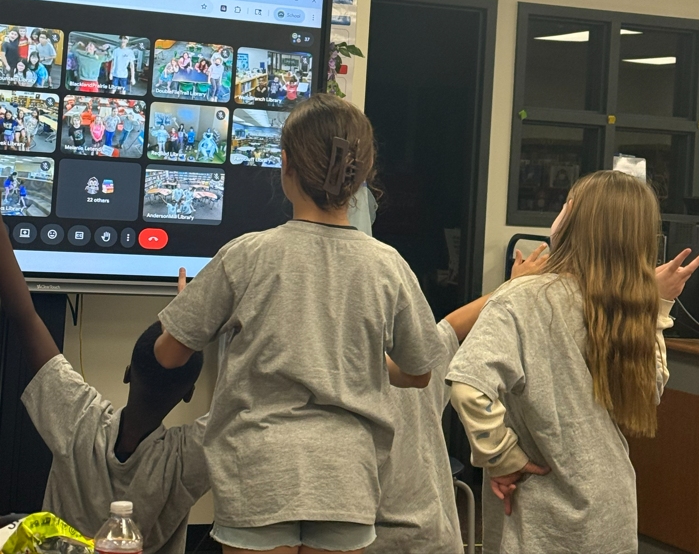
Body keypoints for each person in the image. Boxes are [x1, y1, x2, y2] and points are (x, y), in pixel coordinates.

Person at [154, 93, 444, 554]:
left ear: (285, 165)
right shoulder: (388, 265)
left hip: (258, 473)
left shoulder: (245, 255)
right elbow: (419, 372)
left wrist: (191, 309)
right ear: (362, 175)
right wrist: (359, 359)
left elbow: (168, 354)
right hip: (346, 481)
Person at [448, 170, 699, 554]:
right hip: (609, 511)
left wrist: (501, 457)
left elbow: (469, 387)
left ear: (573, 222)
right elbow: (650, 392)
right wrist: (659, 307)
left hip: (539, 514)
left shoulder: (522, 298)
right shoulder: (629, 308)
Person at [0, 217, 211, 554]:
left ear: (128, 372)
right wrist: (201, 322)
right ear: (188, 394)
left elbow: (25, 316)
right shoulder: (187, 459)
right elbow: (247, 395)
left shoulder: (78, 420)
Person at [369, 246, 549, 554]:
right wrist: (513, 287)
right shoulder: (418, 364)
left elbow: (452, 327)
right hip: (431, 536)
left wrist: (513, 287)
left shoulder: (354, 371)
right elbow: (452, 326)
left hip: (370, 538)